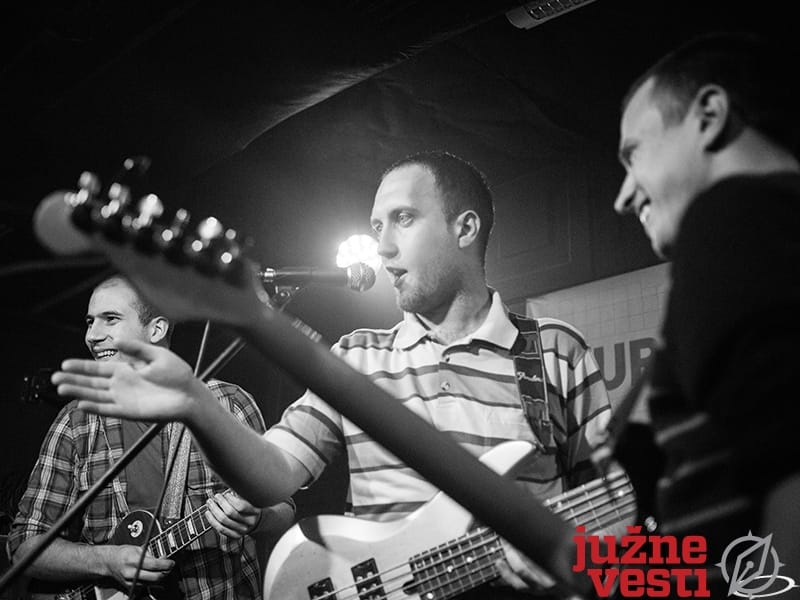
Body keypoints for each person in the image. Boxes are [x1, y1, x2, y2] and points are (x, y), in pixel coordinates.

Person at [50, 152, 615, 597]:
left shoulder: (554, 350)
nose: (383, 245)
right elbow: (273, 478)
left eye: (404, 218)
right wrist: (195, 404)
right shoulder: (357, 355)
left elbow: (616, 508)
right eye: (376, 225)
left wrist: (571, 557)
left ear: (465, 227)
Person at [613, 32, 800, 596]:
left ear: (710, 115)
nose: (623, 197)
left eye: (633, 155)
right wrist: (602, 569)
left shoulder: (734, 216)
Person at [7, 275, 296, 600]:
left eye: (110, 319)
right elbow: (25, 546)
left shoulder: (229, 405)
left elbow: (283, 509)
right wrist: (105, 561)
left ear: (156, 329)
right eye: (90, 322)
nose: (92, 336)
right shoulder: (77, 420)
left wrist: (259, 519)